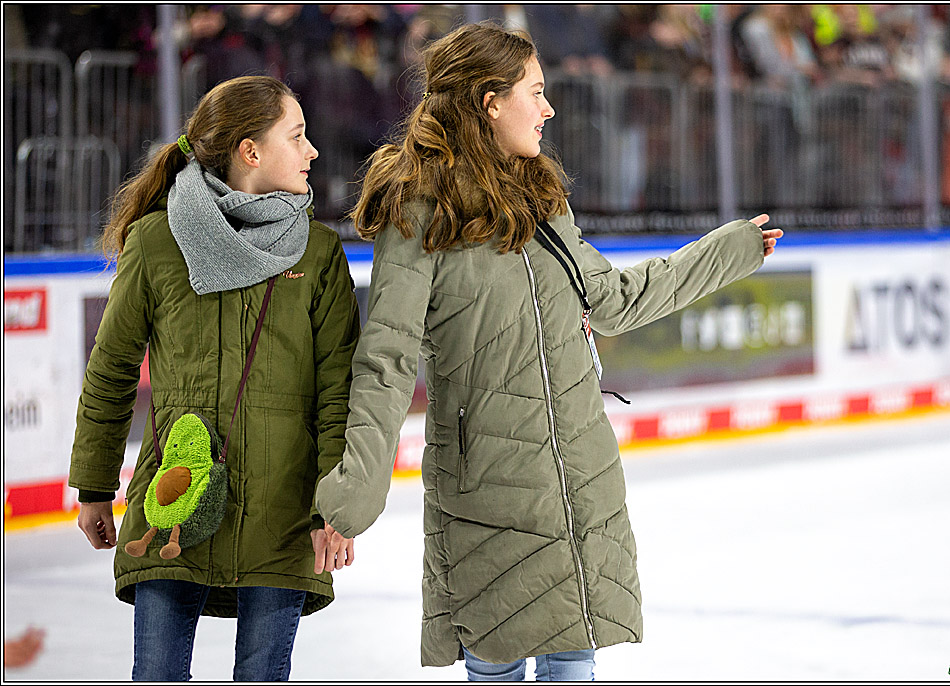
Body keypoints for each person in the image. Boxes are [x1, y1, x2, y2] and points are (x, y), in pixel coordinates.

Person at [315, 21, 782, 681]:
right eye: (535, 92)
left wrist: (725, 253)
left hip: (579, 479)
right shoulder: (420, 212)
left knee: (574, 662)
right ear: (489, 101)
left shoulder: (541, 199)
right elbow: (386, 360)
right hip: (490, 491)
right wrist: (354, 494)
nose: (549, 108)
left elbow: (614, 299)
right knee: (496, 665)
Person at [69, 75, 360, 681]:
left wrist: (336, 505)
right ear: (249, 150)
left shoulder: (318, 253)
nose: (312, 152)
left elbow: (339, 394)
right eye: (298, 136)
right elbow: (112, 369)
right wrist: (94, 483)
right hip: (175, 500)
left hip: (284, 511)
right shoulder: (157, 240)